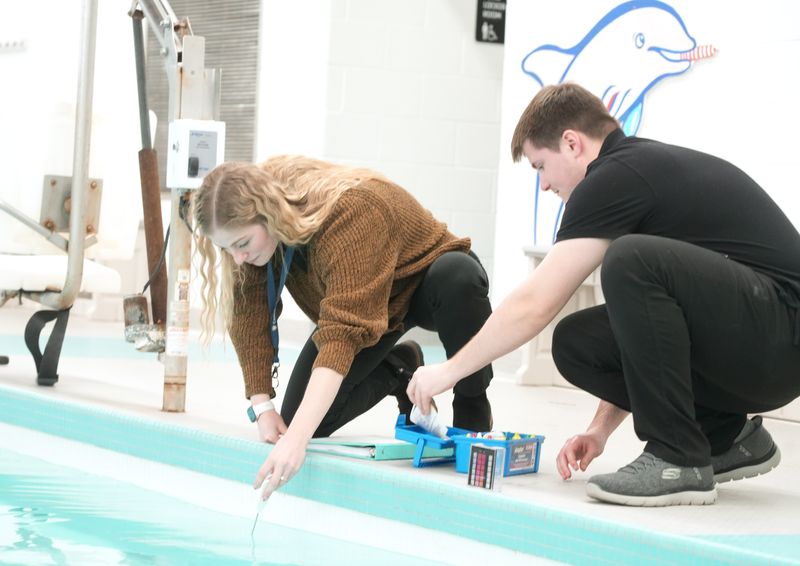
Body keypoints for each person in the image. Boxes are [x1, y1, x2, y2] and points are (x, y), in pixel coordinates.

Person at [407, 82, 800, 507]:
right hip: (761, 344)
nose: (543, 185)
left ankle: (677, 457)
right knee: (577, 342)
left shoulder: (614, 176)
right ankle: (723, 437)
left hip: (781, 333)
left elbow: (535, 304)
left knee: (630, 258)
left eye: (541, 166)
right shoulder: (636, 173)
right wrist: (599, 430)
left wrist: (448, 371)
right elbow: (650, 335)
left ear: (571, 143)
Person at [193, 155, 493, 500]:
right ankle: (399, 368)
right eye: (226, 248)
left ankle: (473, 406)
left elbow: (341, 333)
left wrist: (296, 441)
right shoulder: (252, 233)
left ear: (269, 214)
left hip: (425, 283)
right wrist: (262, 406)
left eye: (242, 244)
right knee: (303, 421)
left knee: (457, 275)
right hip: (371, 308)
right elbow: (249, 312)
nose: (237, 258)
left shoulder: (351, 213)